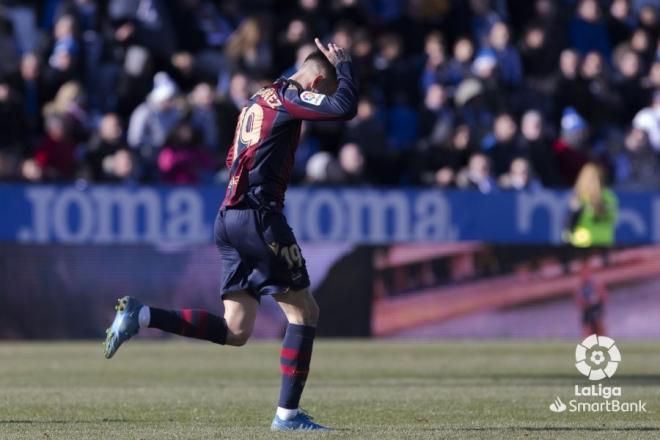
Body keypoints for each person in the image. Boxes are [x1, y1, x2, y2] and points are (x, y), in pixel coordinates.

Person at [103, 38, 357, 431]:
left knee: (237, 330)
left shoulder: (258, 98)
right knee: (305, 311)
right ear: (317, 79)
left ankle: (143, 315)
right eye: (324, 89)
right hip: (258, 216)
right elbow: (344, 108)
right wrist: (347, 69)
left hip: (228, 216)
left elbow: (234, 155)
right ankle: (287, 417)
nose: (319, 102)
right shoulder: (289, 98)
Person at [564, 163, 618, 248]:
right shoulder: (611, 197)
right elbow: (613, 219)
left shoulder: (581, 198)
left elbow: (569, 225)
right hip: (605, 242)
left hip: (583, 245)